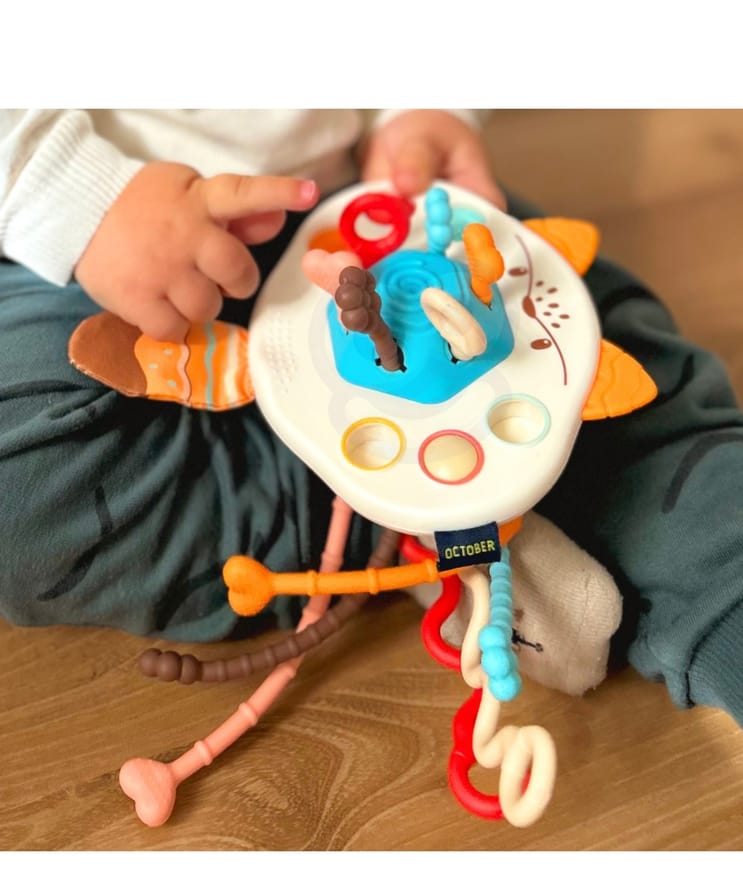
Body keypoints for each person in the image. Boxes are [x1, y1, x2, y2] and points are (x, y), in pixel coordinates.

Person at [1, 109, 742, 730]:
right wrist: (73, 191)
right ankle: (413, 524)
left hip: (368, 208)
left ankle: (710, 577)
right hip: (82, 246)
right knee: (22, 487)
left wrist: (421, 110)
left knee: (591, 344)